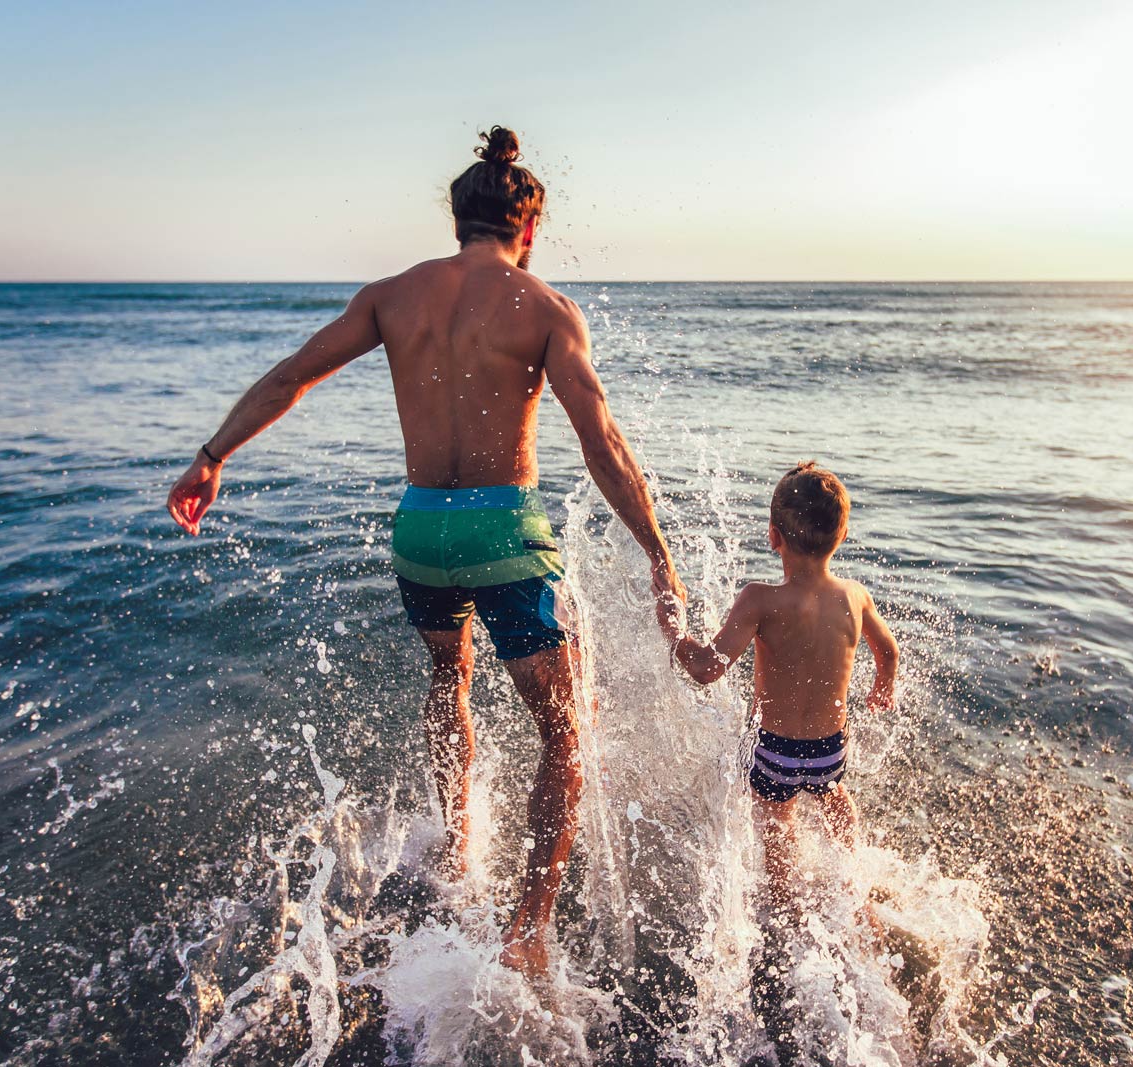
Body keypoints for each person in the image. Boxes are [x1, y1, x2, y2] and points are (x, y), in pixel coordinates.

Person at [166, 126, 684, 976]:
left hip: (418, 534)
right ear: (530, 228)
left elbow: (293, 374)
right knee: (567, 730)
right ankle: (528, 928)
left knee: (451, 679)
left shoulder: (390, 295)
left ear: (456, 221)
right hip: (502, 533)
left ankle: (457, 844)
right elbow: (604, 445)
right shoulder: (546, 308)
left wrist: (211, 456)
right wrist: (659, 552)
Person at [655, 463, 897, 920]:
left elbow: (708, 669)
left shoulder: (759, 599)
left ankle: (784, 906)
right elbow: (888, 651)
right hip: (829, 747)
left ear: (773, 536)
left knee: (777, 821)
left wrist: (673, 629)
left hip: (776, 749)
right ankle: (853, 879)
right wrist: (882, 685)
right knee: (833, 795)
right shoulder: (856, 596)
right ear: (841, 537)